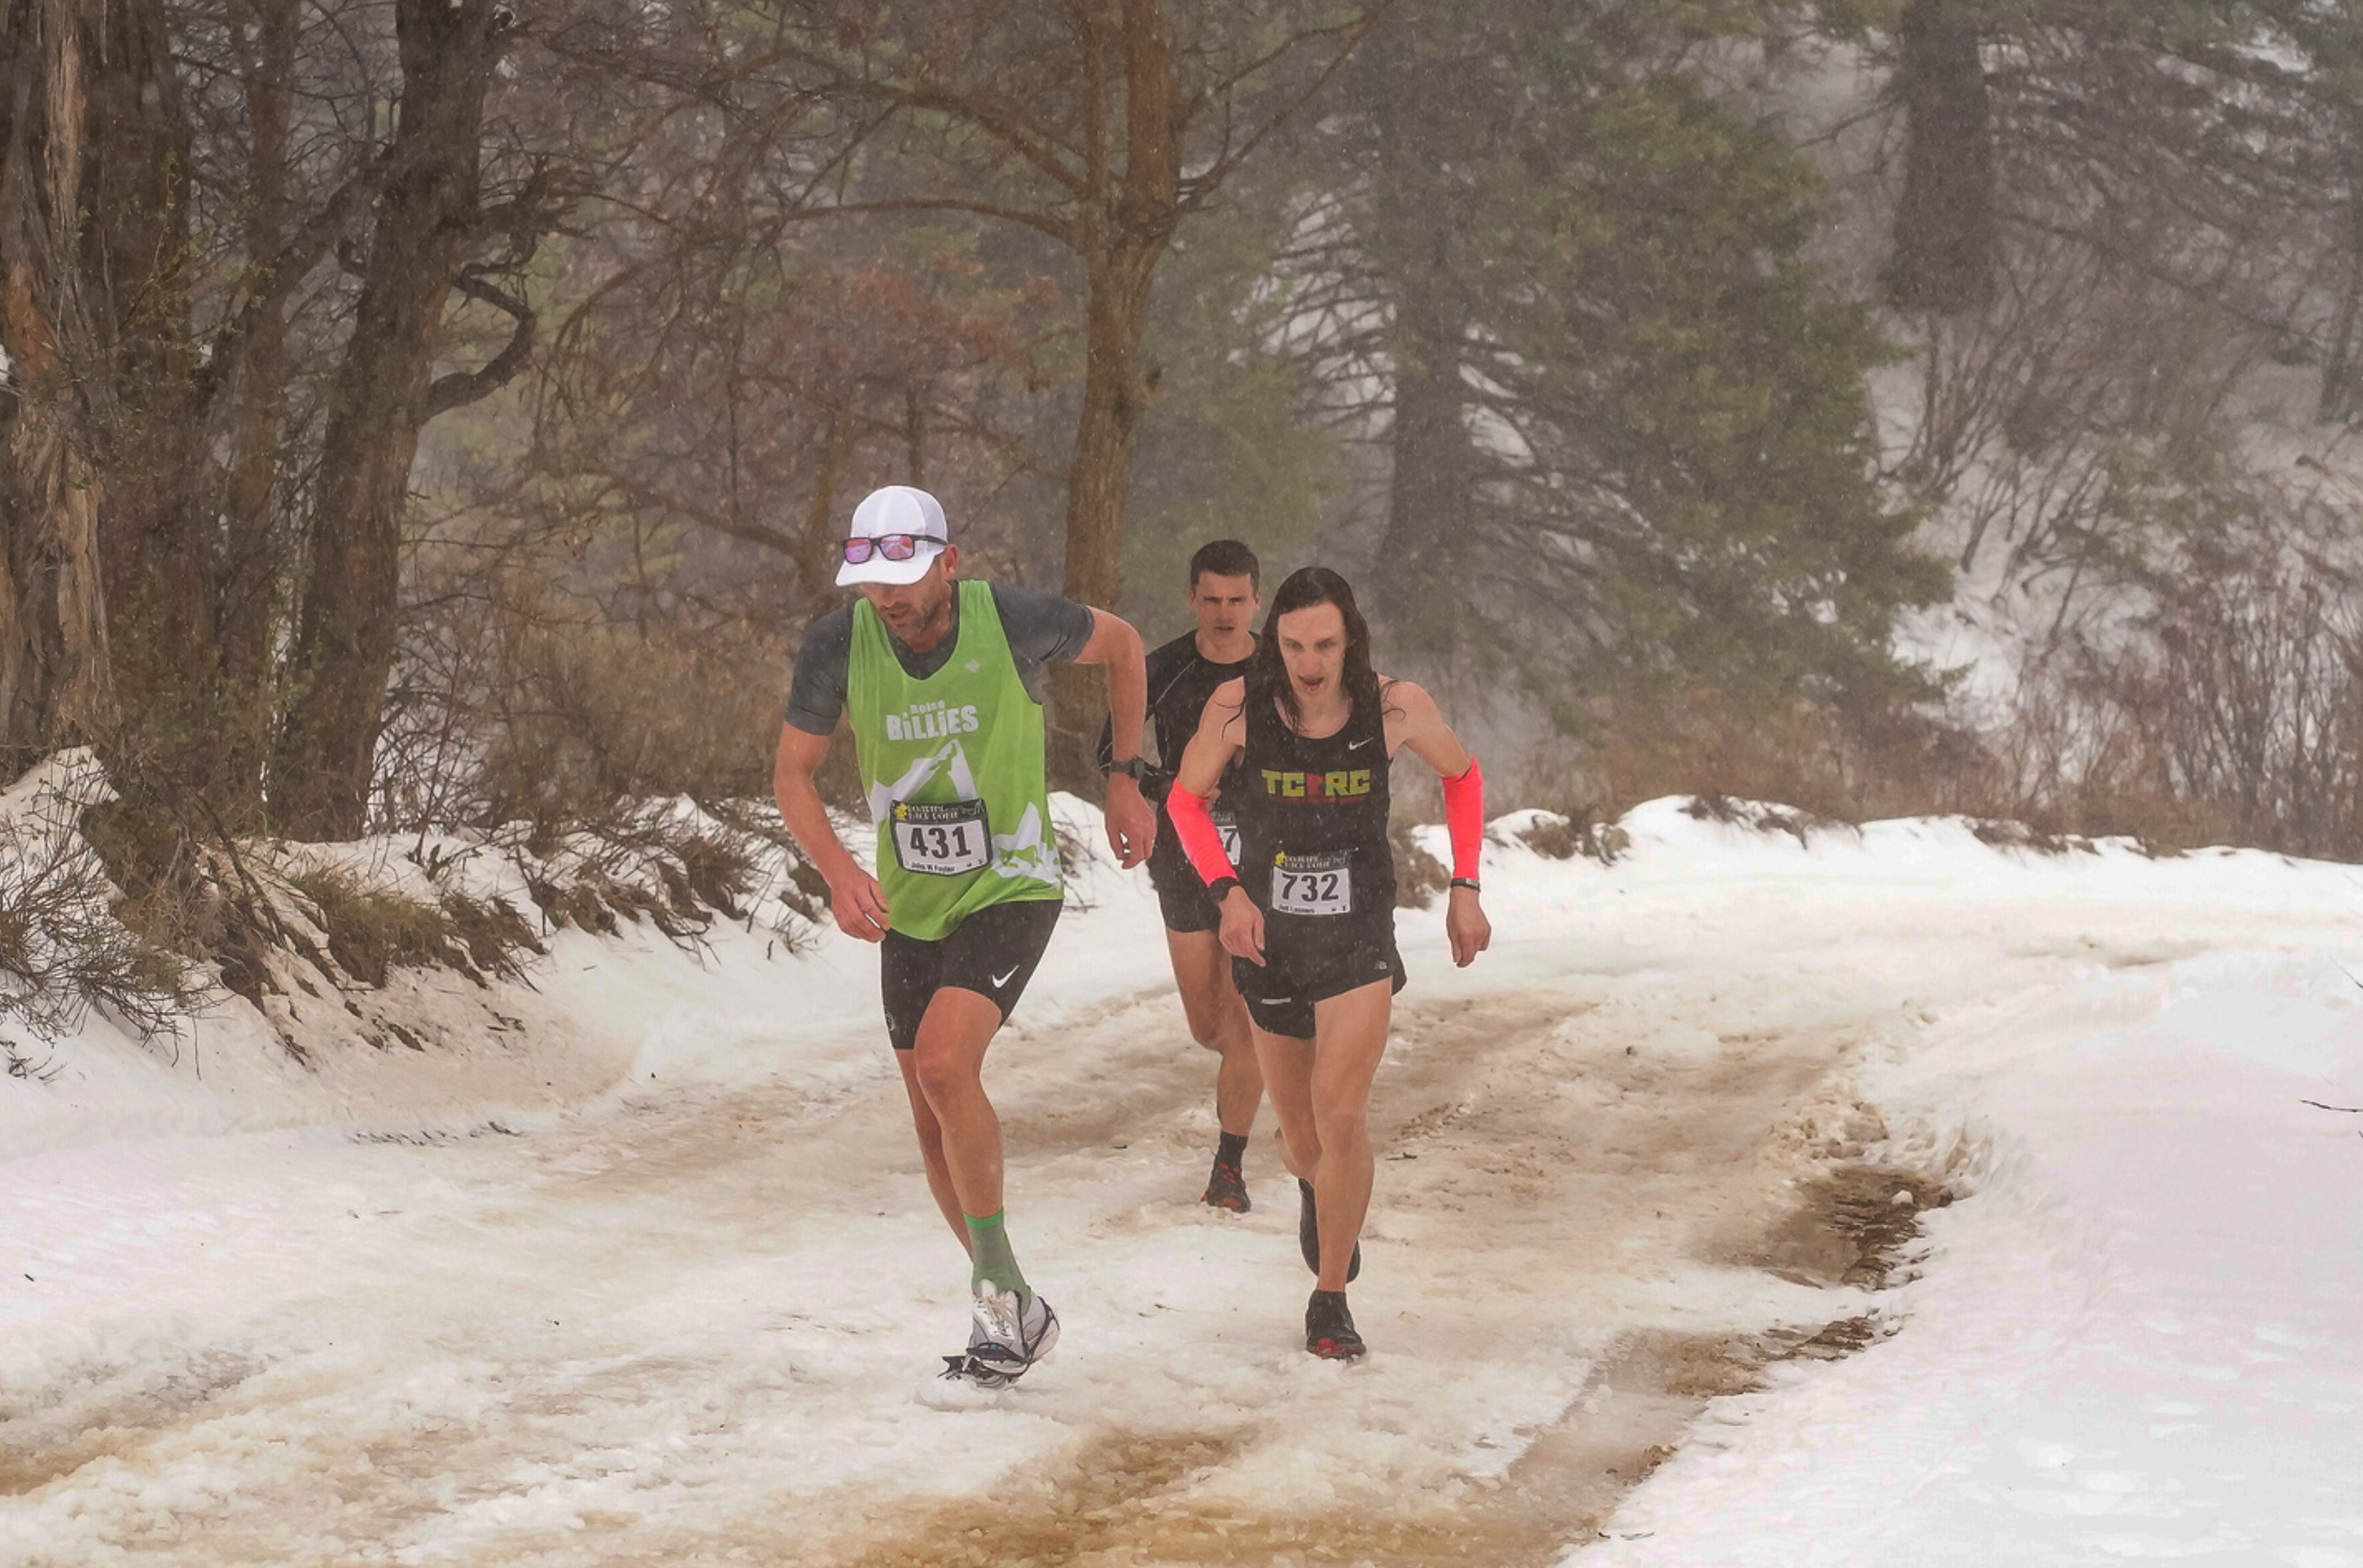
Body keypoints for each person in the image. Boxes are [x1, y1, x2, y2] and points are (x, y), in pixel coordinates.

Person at [772, 485, 1157, 1387]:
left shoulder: (1013, 620)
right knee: (927, 1115)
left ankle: (995, 1295)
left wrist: (1127, 777)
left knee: (947, 1066)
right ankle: (1012, 1303)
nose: (891, 600)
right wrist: (837, 869)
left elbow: (1128, 646)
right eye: (874, 584)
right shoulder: (838, 645)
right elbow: (793, 772)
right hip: (912, 901)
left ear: (949, 561)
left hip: (1012, 883)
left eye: (906, 579)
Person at [1164, 566, 1490, 1359]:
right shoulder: (1239, 707)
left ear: (1352, 641)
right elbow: (1185, 801)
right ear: (1275, 641)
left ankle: (1331, 1297)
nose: (1310, 662)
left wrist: (1466, 886)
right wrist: (1226, 893)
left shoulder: (1394, 706)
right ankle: (1316, 1185)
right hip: (1270, 944)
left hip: (1358, 940)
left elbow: (1463, 775)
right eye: (1294, 645)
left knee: (1342, 1112)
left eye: (1326, 645)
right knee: (1305, 1141)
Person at [1096, 539, 1267, 1212]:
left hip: (1263, 859)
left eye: (1238, 600)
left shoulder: (1283, 671)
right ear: (1193, 598)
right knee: (1211, 1026)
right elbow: (1113, 750)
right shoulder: (1161, 667)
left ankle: (1230, 1164)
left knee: (1247, 1021)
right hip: (1185, 856)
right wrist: (1151, 792)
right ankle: (1257, 1067)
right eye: (1212, 599)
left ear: (1258, 600)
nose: (1225, 613)